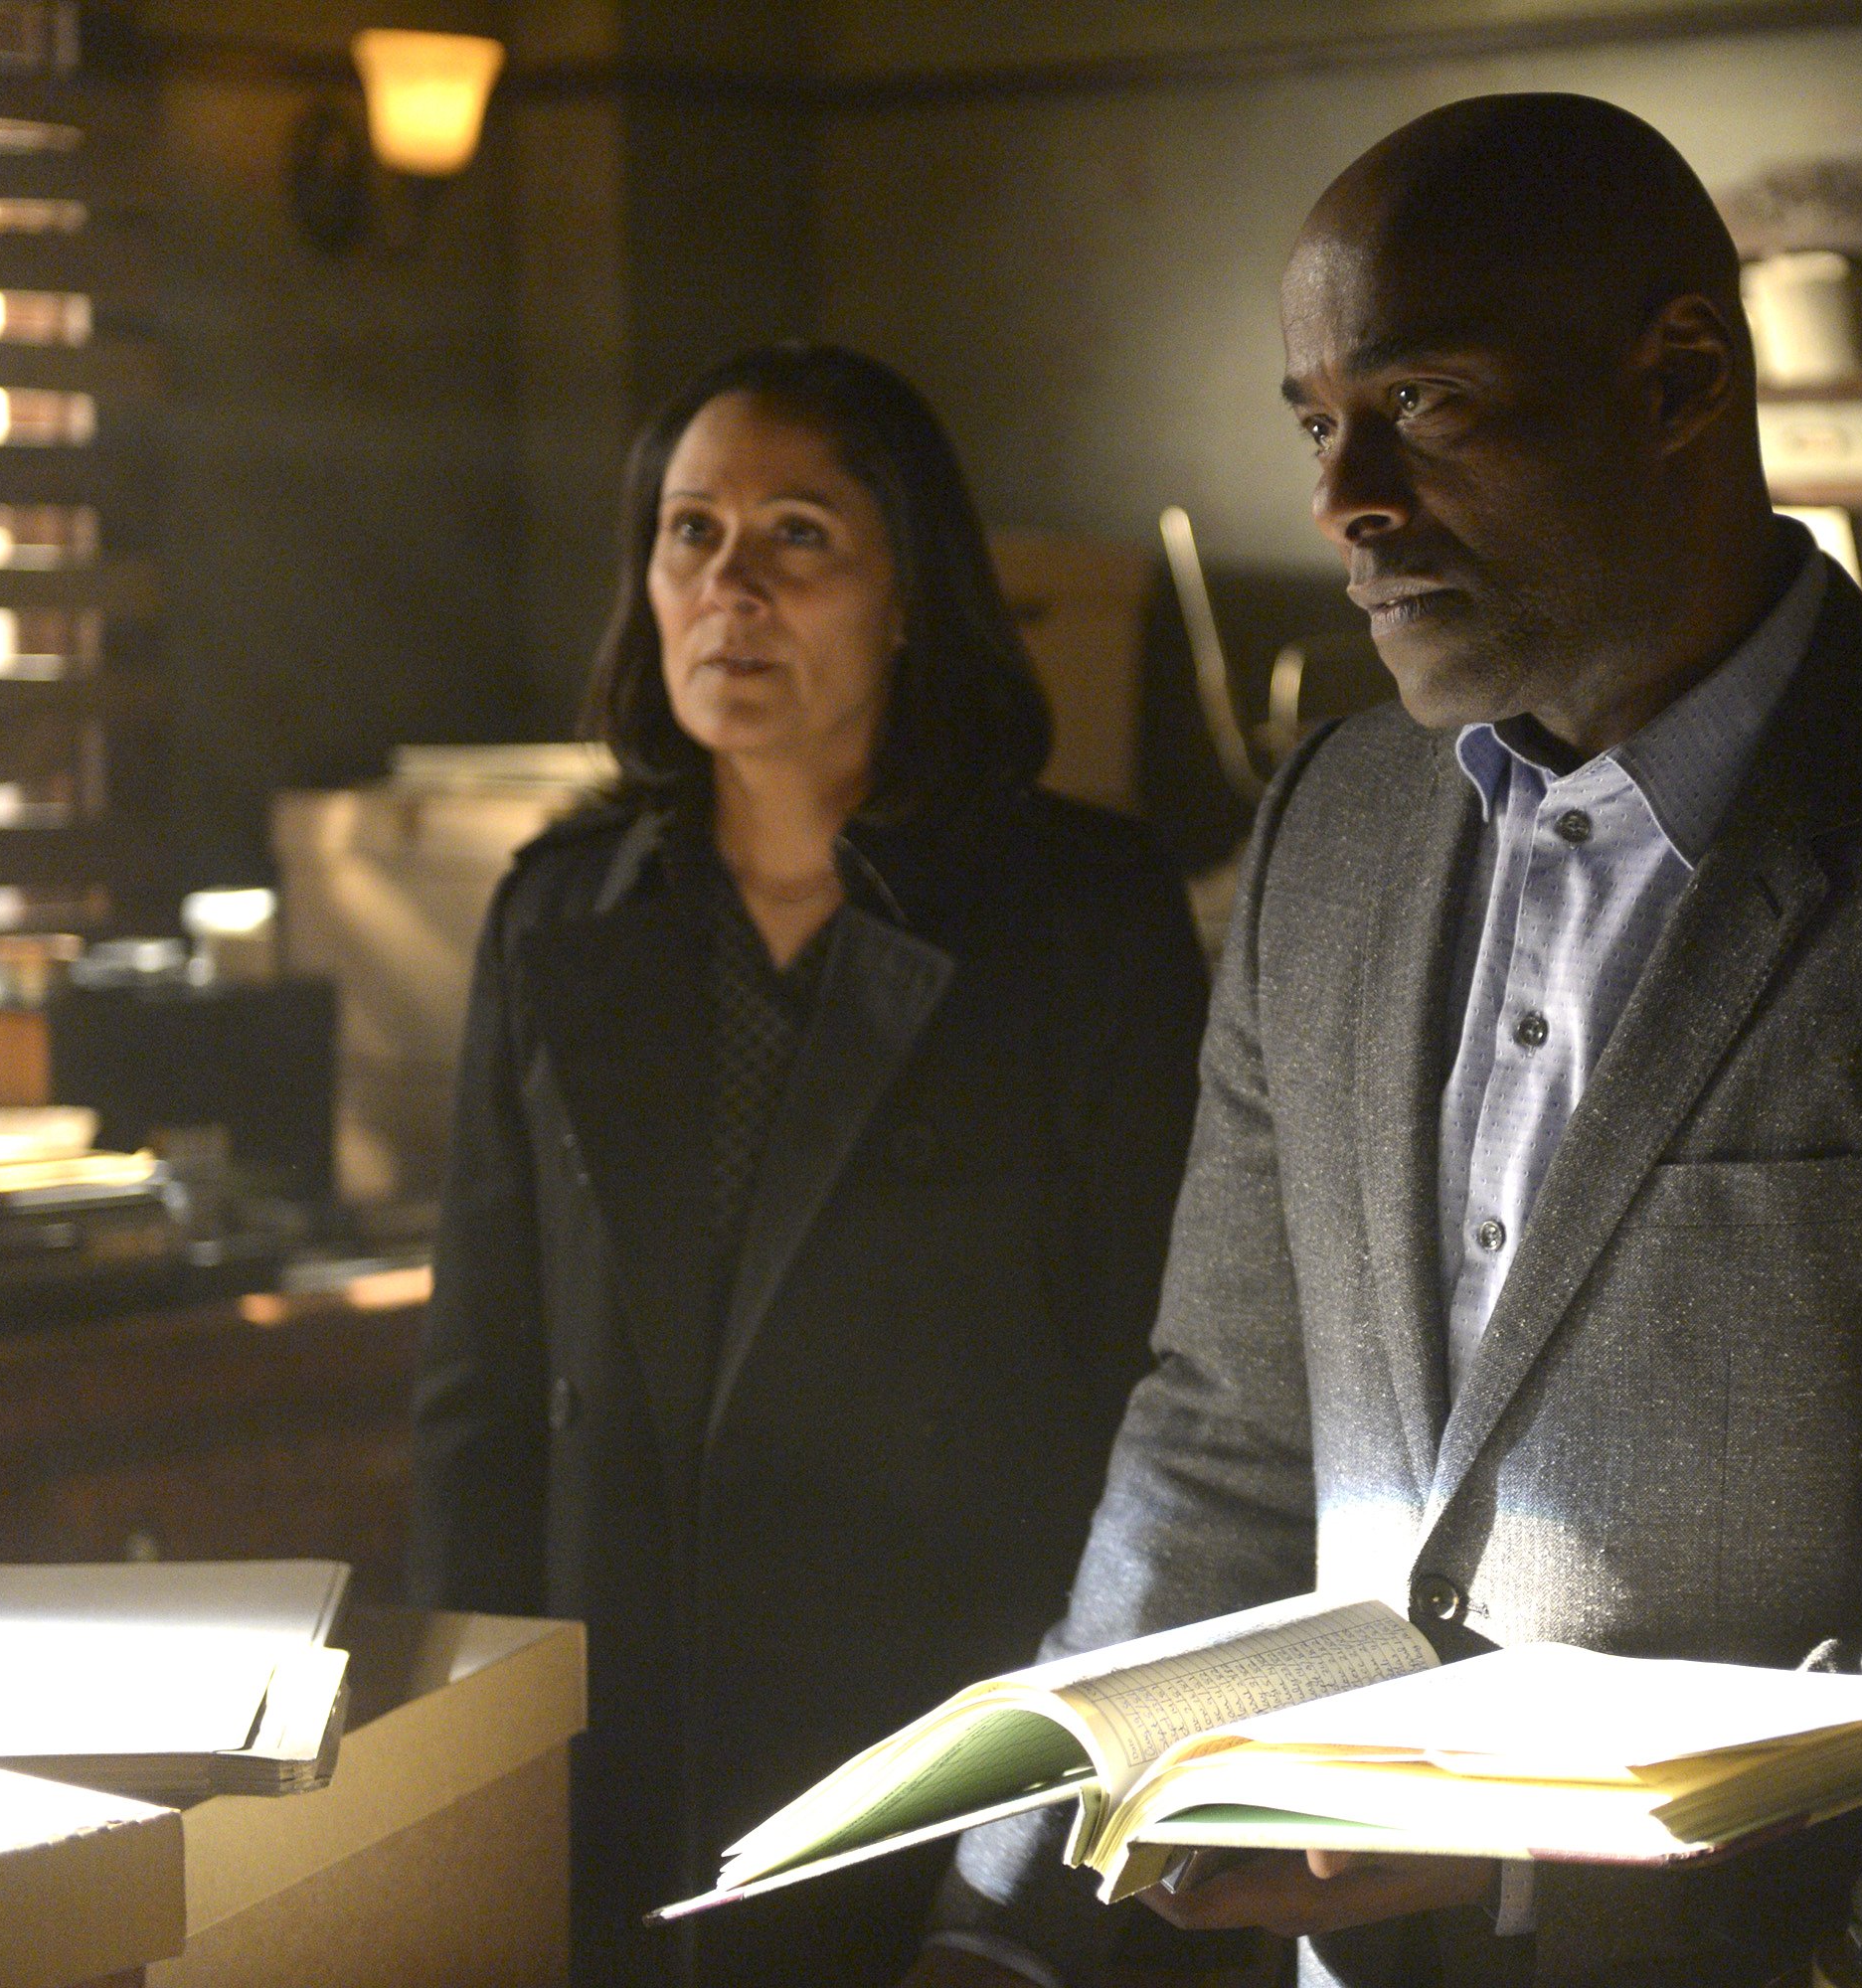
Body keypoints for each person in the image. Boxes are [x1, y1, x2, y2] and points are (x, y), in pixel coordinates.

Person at [913, 95, 1862, 1988]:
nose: (1345, 499)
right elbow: (1224, 1431)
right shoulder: (1329, 830)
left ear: (1679, 378)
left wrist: (1518, 1857)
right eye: (1317, 424)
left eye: (1425, 402)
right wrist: (1003, 1923)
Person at [411, 342, 1209, 1988]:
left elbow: (1162, 1390)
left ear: (910, 594)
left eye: (799, 536)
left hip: (941, 1742)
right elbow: (478, 1393)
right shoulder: (556, 912)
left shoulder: (1081, 917)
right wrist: (458, 1781)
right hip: (617, 1742)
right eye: (691, 534)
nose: (733, 589)